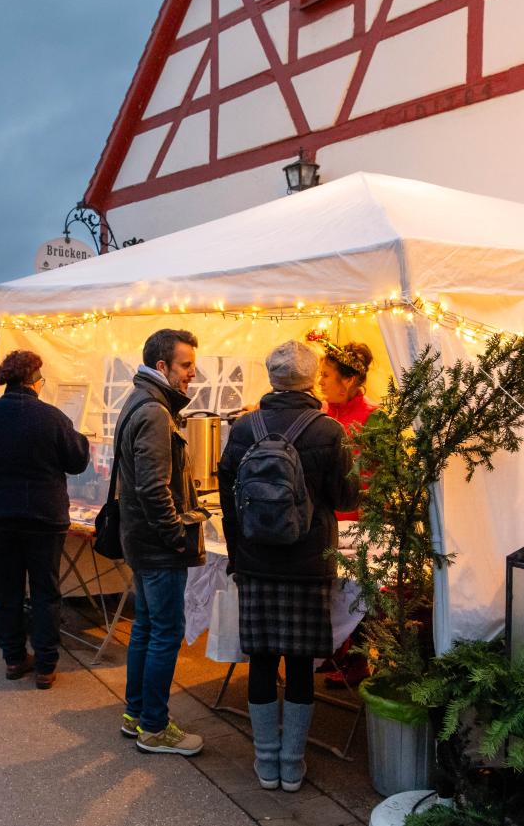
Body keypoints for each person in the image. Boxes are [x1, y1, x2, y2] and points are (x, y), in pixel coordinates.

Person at [218, 340, 359, 793]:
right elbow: (345, 498)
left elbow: (228, 500)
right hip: (309, 561)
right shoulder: (328, 430)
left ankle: (265, 762)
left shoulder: (244, 428)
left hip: (257, 562)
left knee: (260, 660)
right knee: (300, 663)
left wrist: (237, 556)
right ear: (312, 377)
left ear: (271, 377)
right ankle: (292, 765)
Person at [0, 350, 90, 688]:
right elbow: (77, 462)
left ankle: (14, 659)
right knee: (46, 591)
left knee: (7, 590)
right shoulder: (53, 417)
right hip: (45, 517)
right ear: (35, 381)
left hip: (0, 516)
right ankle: (46, 665)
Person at [115, 328, 209, 757]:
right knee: (164, 632)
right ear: (161, 367)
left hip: (142, 540)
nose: (193, 373)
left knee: (148, 629)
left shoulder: (141, 401)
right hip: (156, 544)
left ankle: (137, 715)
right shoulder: (154, 411)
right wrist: (176, 536)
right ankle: (154, 726)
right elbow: (154, 488)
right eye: (186, 365)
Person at [314, 336, 378, 688]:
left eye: (327, 375)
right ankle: (334, 652)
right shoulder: (323, 412)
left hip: (358, 524)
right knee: (328, 591)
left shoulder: (373, 417)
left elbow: (380, 476)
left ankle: (358, 660)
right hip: (325, 521)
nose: (320, 381)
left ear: (349, 380)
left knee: (357, 592)